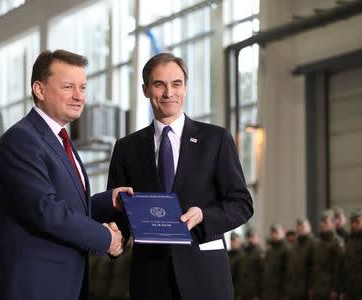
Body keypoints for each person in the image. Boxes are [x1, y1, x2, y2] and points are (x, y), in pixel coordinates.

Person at [0, 49, 133, 300]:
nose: (78, 96)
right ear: (39, 90)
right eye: (68, 87)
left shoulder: (60, 140)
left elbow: (65, 205)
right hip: (31, 285)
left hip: (62, 283)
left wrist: (108, 201)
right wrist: (105, 237)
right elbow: (44, 210)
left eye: (83, 88)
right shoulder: (21, 140)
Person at [107, 52, 253, 300]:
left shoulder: (215, 140)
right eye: (159, 84)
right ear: (145, 89)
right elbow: (118, 210)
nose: (168, 93)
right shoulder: (126, 148)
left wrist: (204, 216)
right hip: (150, 278)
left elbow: (241, 204)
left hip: (205, 277)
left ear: (185, 88)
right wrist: (112, 236)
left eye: (176, 84)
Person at [310, 210, 344, 300]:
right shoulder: (317, 243)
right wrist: (312, 287)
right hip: (317, 288)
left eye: (325, 222)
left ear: (333, 224)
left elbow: (338, 268)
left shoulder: (337, 242)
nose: (322, 224)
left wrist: (335, 289)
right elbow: (314, 267)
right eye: (321, 222)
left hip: (329, 290)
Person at [285, 218, 315, 300]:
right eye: (298, 225)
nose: (300, 228)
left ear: (309, 227)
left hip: (306, 289)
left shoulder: (313, 244)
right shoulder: (295, 245)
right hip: (294, 289)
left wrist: (312, 288)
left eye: (302, 225)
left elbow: (314, 268)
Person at [340, 209, 362, 300]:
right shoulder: (350, 240)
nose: (353, 225)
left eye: (357, 222)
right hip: (349, 289)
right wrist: (343, 290)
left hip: (361, 290)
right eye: (352, 222)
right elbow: (345, 266)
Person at [262, 224, 290, 300]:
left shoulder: (287, 249)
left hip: (280, 292)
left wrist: (285, 294)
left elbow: (288, 273)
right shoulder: (270, 251)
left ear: (283, 233)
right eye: (272, 232)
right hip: (268, 292)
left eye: (276, 232)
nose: (274, 235)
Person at [237, 229, 263, 300]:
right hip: (243, 291)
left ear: (258, 238)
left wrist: (258, 294)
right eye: (249, 237)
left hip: (254, 292)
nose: (250, 239)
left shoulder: (260, 253)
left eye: (253, 237)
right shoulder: (244, 252)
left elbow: (262, 275)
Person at [228, 232, 243, 300]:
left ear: (240, 242)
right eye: (232, 240)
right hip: (228, 289)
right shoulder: (227, 255)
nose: (233, 243)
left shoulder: (243, 256)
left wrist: (239, 294)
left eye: (235, 241)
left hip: (239, 292)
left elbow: (242, 278)